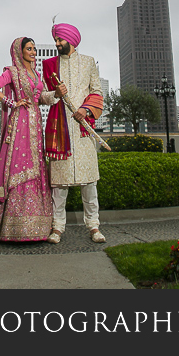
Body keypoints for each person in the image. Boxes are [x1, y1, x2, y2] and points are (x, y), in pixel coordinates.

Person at [0, 37, 57, 242]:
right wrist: (12, 102)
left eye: (34, 49)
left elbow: (40, 98)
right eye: (29, 49)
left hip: (36, 125)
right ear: (19, 51)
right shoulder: (12, 72)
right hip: (20, 124)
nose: (33, 52)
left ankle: (36, 226)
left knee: (37, 166)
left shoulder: (36, 74)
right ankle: (12, 228)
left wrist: (56, 93)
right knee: (19, 167)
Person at [42, 22, 105, 244]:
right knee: (59, 185)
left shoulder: (88, 62)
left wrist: (85, 110)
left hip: (82, 130)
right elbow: (42, 97)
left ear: (72, 39)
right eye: (56, 40)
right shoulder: (49, 65)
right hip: (59, 130)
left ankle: (94, 226)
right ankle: (57, 227)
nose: (57, 43)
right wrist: (55, 94)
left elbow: (97, 92)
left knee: (89, 185)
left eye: (60, 39)